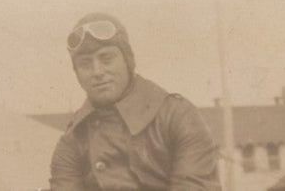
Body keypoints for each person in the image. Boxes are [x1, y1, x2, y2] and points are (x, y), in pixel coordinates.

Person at [49, 14, 219, 191]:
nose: (97, 71)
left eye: (106, 59)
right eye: (85, 64)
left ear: (128, 61)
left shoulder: (177, 117)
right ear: (76, 73)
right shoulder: (73, 139)